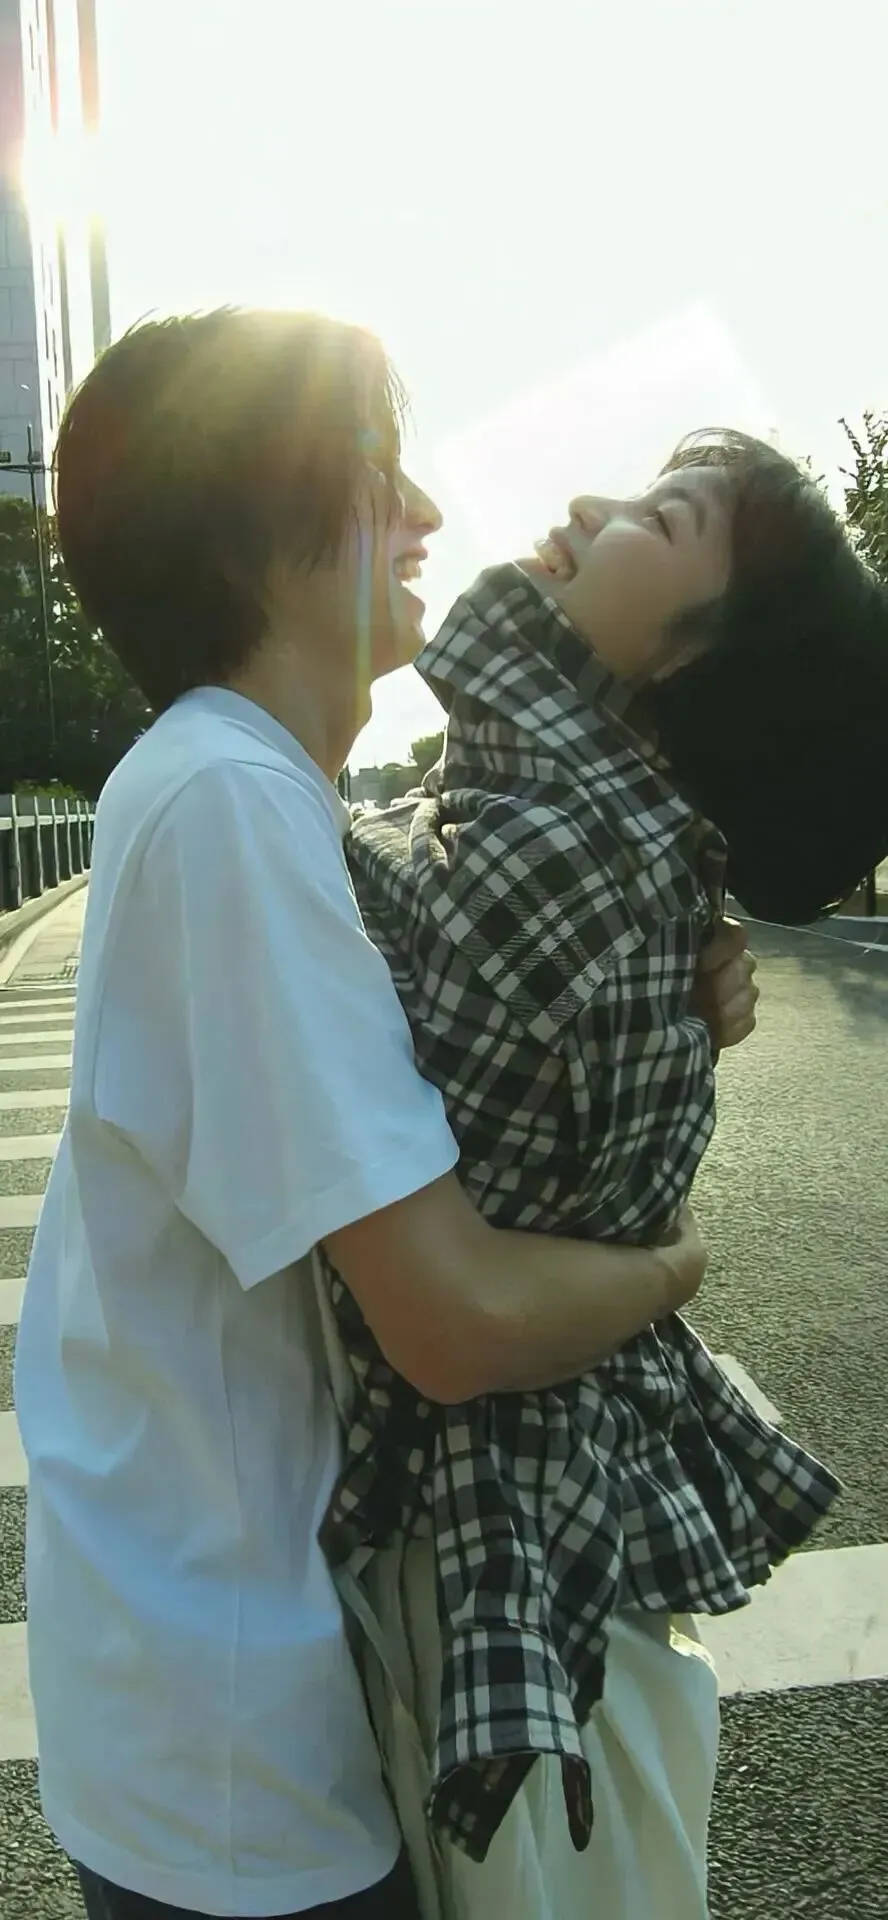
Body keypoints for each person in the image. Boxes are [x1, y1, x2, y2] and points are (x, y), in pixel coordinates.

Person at [12, 309, 752, 1920]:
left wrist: (663, 981)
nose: (425, 512)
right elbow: (455, 1318)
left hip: (229, 1670)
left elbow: (461, 1024)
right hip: (239, 1734)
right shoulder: (226, 801)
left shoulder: (247, 791)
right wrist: (677, 1264)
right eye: (374, 473)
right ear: (247, 530)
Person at [318, 431, 888, 1919]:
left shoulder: (577, 852)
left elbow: (316, 891)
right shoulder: (594, 835)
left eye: (661, 514)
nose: (589, 504)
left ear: (691, 665)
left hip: (501, 1547)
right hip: (558, 1510)